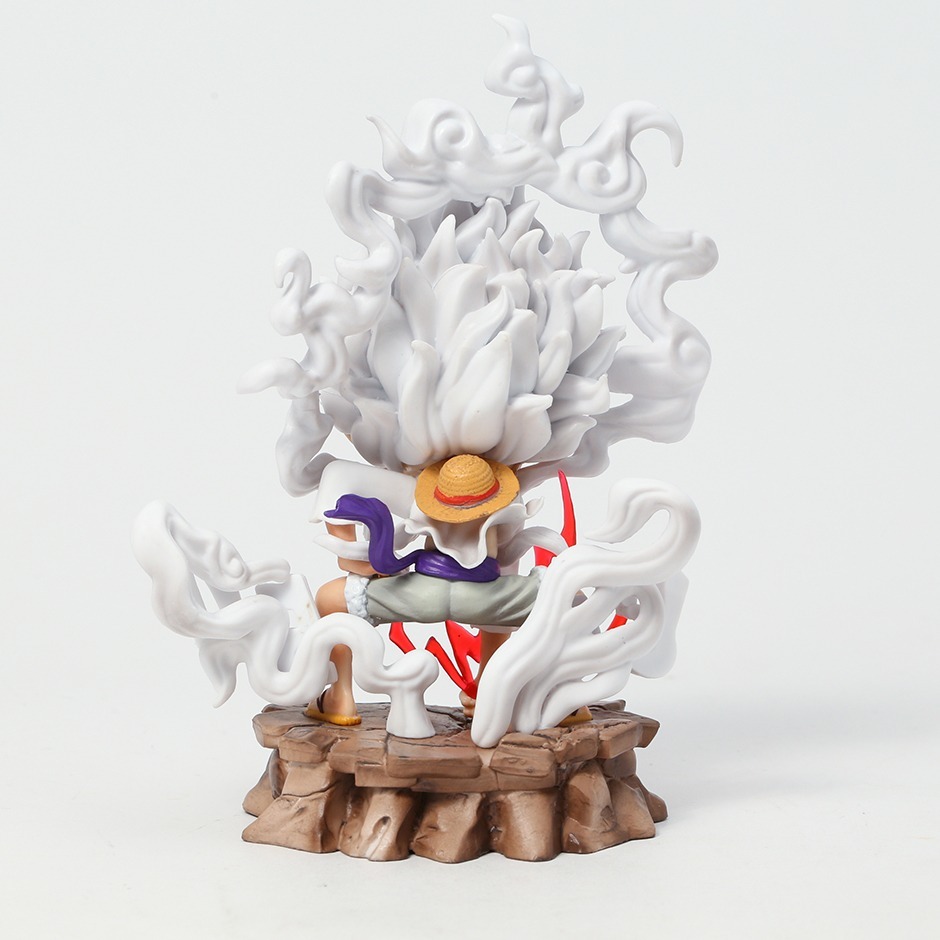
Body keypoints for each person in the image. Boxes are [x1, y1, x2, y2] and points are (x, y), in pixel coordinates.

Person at [309, 454, 543, 725]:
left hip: (424, 593)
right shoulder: (511, 501)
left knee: (330, 599)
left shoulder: (418, 494)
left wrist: (353, 557)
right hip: (487, 597)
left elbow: (338, 475)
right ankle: (494, 690)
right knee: (567, 602)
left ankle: (340, 695)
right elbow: (506, 563)